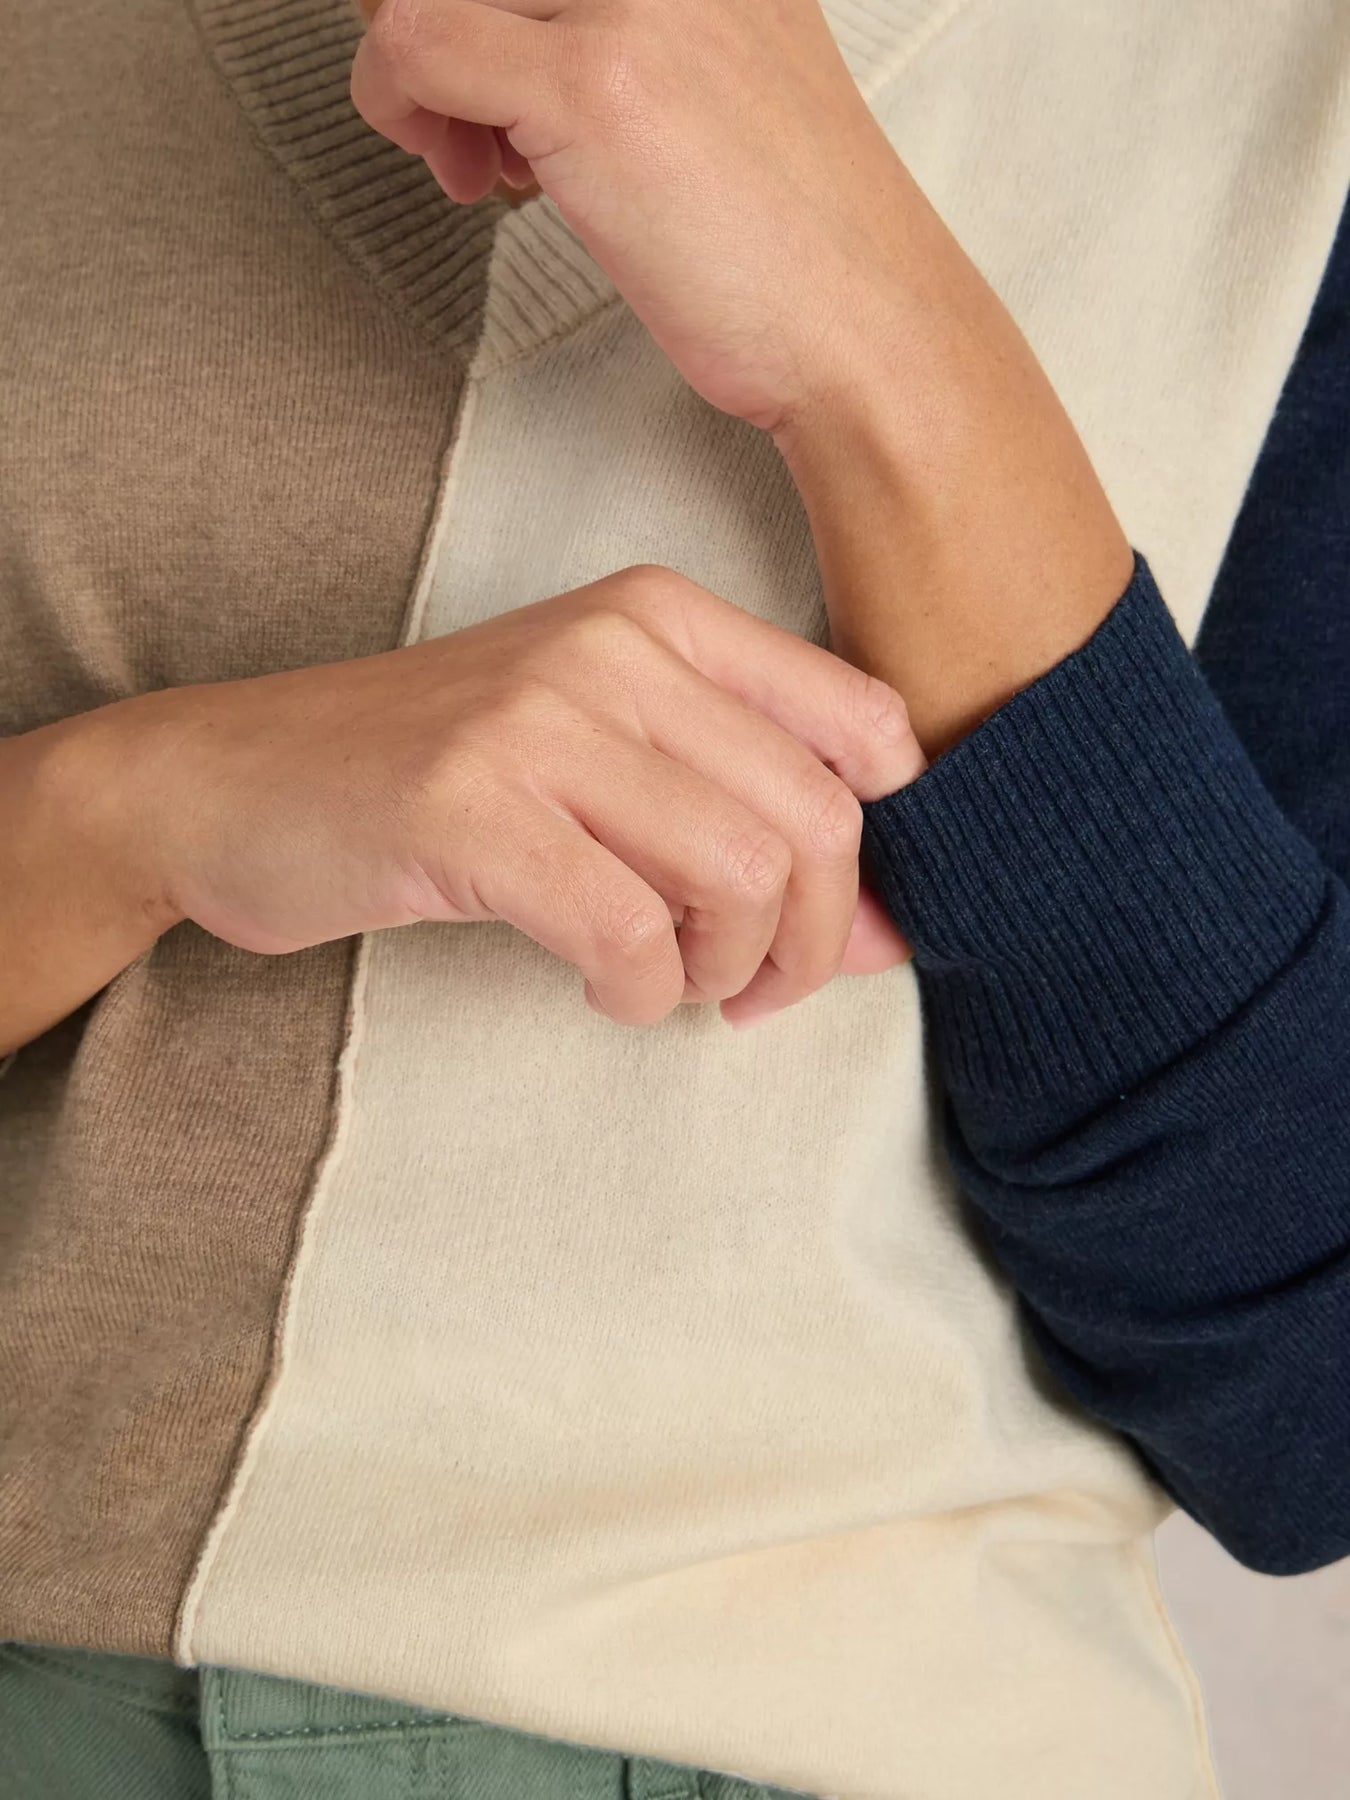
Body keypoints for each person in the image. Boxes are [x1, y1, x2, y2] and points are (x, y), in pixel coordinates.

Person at [1, 1, 1346, 1796]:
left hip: (851, 1737)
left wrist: (886, 344)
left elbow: (1310, 1400)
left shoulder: (1295, 104)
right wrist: (127, 808)